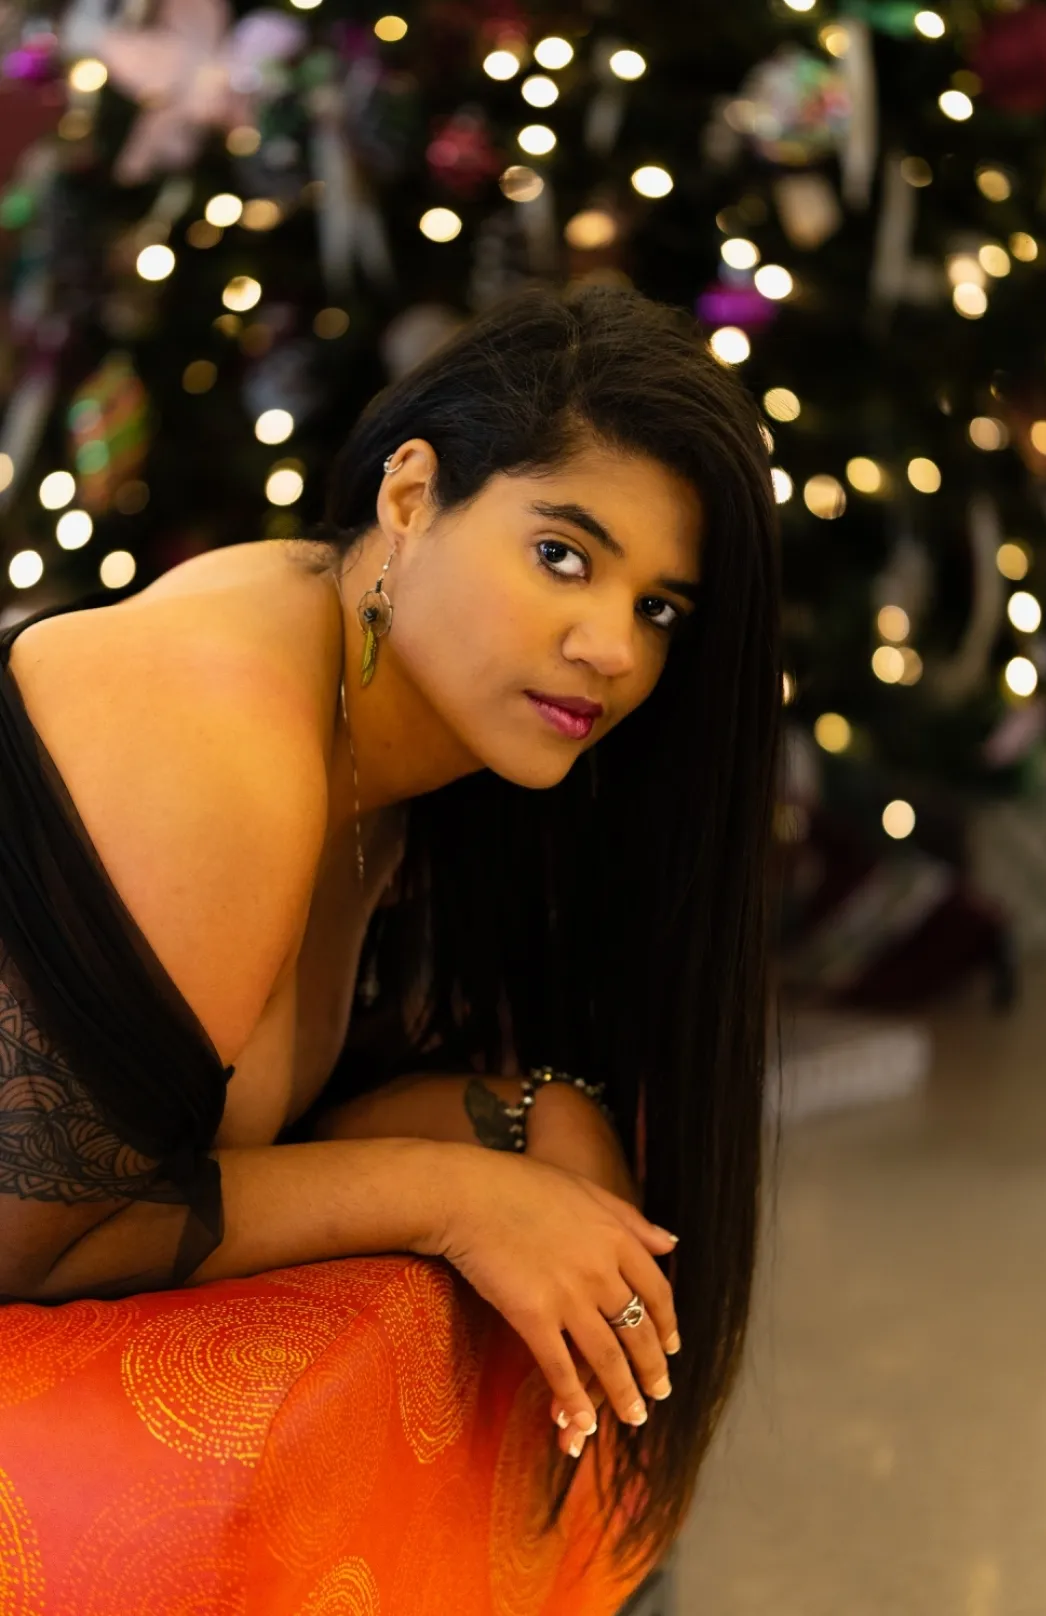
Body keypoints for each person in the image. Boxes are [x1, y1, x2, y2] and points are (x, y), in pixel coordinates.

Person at [0, 283, 780, 1578]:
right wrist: (461, 1194)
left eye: (659, 609)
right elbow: (32, 1235)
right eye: (563, 555)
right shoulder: (222, 742)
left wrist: (522, 1121)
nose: (611, 648)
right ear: (411, 496)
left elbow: (217, 1124)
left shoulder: (404, 748)